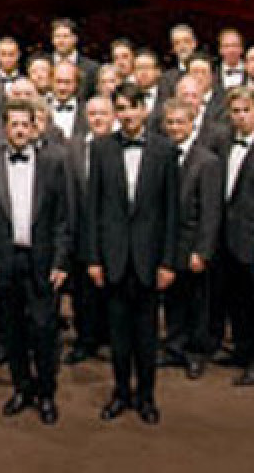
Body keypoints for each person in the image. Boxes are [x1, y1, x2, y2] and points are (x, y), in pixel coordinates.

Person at [87, 83, 178, 425]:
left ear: (144, 109)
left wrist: (169, 261)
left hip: (150, 258)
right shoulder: (100, 148)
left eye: (131, 107)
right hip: (112, 257)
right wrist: (94, 258)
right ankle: (121, 392)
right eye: (120, 108)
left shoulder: (165, 150)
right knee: (118, 335)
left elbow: (172, 212)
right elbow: (93, 208)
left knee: (147, 335)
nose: (126, 115)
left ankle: (147, 395)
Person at [0, 100, 70, 425]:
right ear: (5, 128)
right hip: (5, 259)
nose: (18, 130)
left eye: (24, 124)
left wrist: (61, 261)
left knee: (44, 330)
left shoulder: (54, 163)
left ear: (34, 127)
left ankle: (46, 393)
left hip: (42, 259)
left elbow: (62, 219)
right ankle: (21, 388)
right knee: (12, 330)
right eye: (13, 124)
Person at [161, 98, 221, 380]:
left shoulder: (206, 160)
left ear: (192, 124)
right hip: (168, 244)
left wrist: (202, 251)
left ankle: (196, 353)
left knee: (197, 302)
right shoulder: (161, 155)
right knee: (173, 299)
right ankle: (174, 346)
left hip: (193, 244)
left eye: (180, 122)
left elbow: (211, 212)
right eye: (170, 123)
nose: (175, 128)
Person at [218, 86, 254, 385]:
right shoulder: (225, 144)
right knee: (237, 298)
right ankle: (243, 349)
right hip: (230, 236)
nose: (239, 117)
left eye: (244, 110)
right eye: (234, 111)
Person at [62, 96, 113, 365]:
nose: (97, 119)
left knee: (112, 290)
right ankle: (85, 340)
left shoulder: (120, 146)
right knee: (83, 293)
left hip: (115, 234)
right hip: (81, 231)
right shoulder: (73, 147)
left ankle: (110, 339)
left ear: (113, 115)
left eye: (103, 113)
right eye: (92, 114)